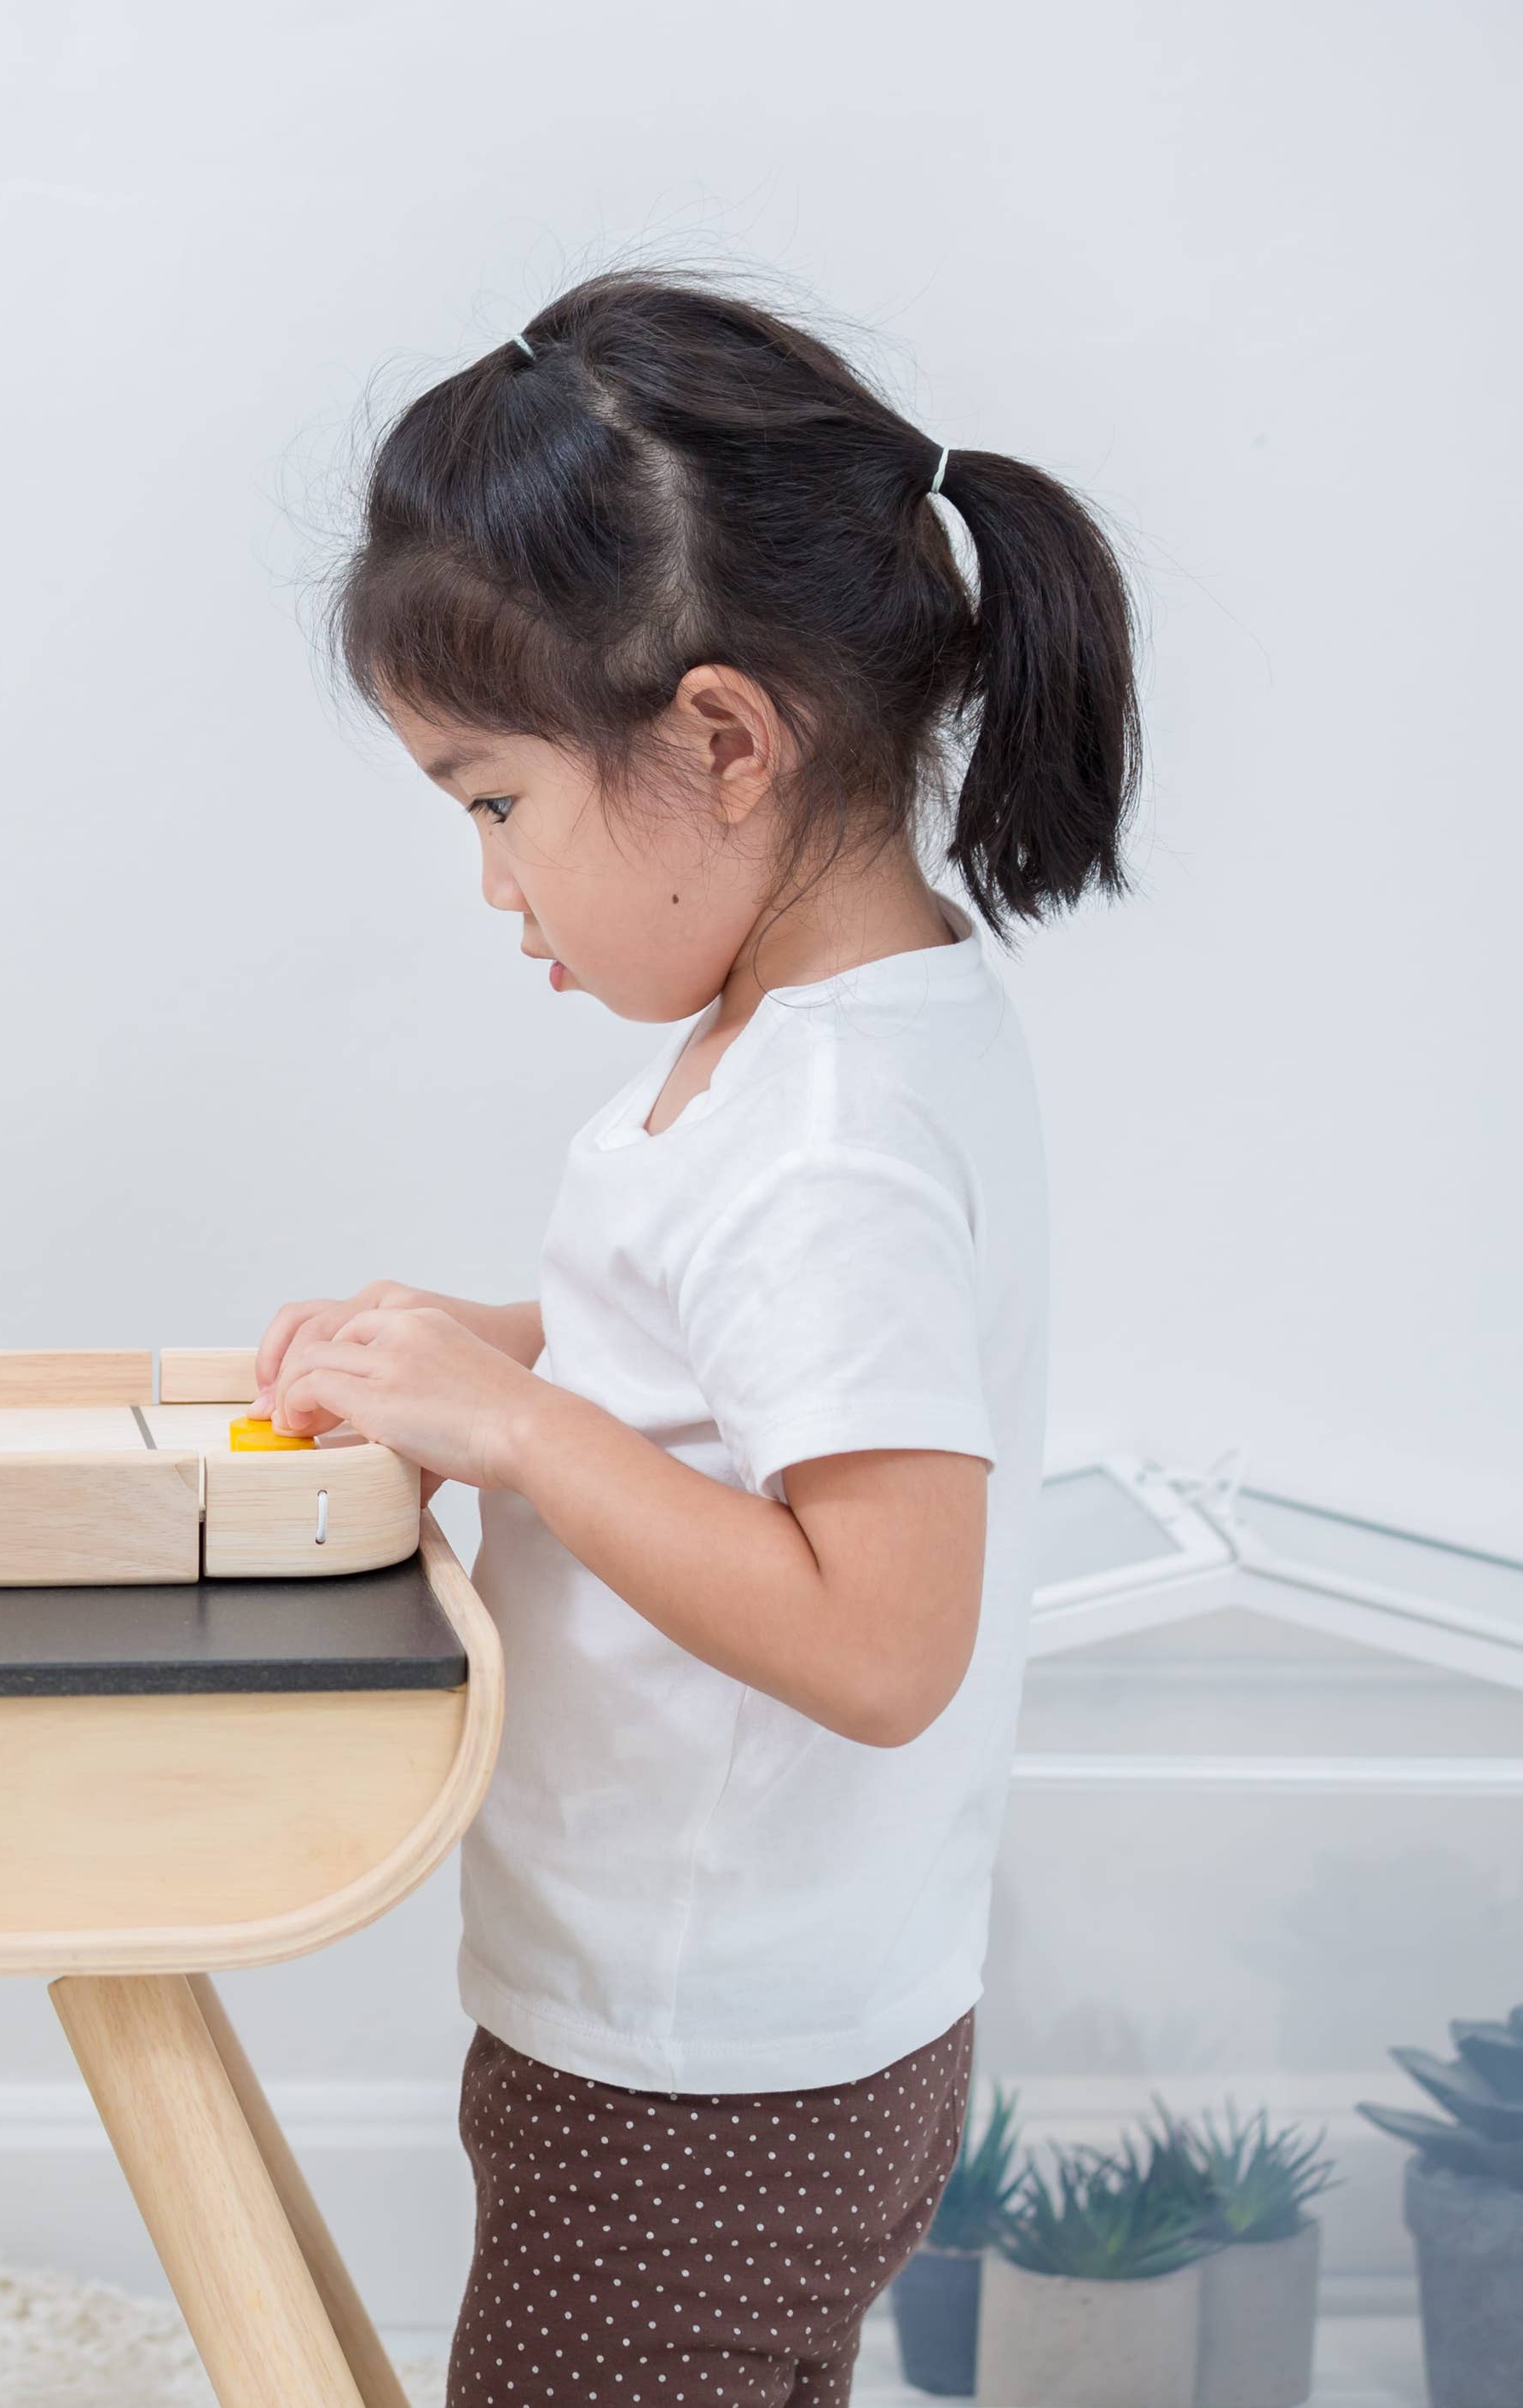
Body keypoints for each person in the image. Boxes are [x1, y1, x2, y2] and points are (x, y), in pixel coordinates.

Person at [255, 275, 1138, 2406]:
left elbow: (878, 1638)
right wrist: (503, 1349)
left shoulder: (824, 1131)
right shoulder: (823, 1049)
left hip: (701, 2070)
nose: (491, 889)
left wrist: (529, 1432)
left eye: (494, 805)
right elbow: (750, 1374)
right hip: (721, 2030)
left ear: (724, 740)